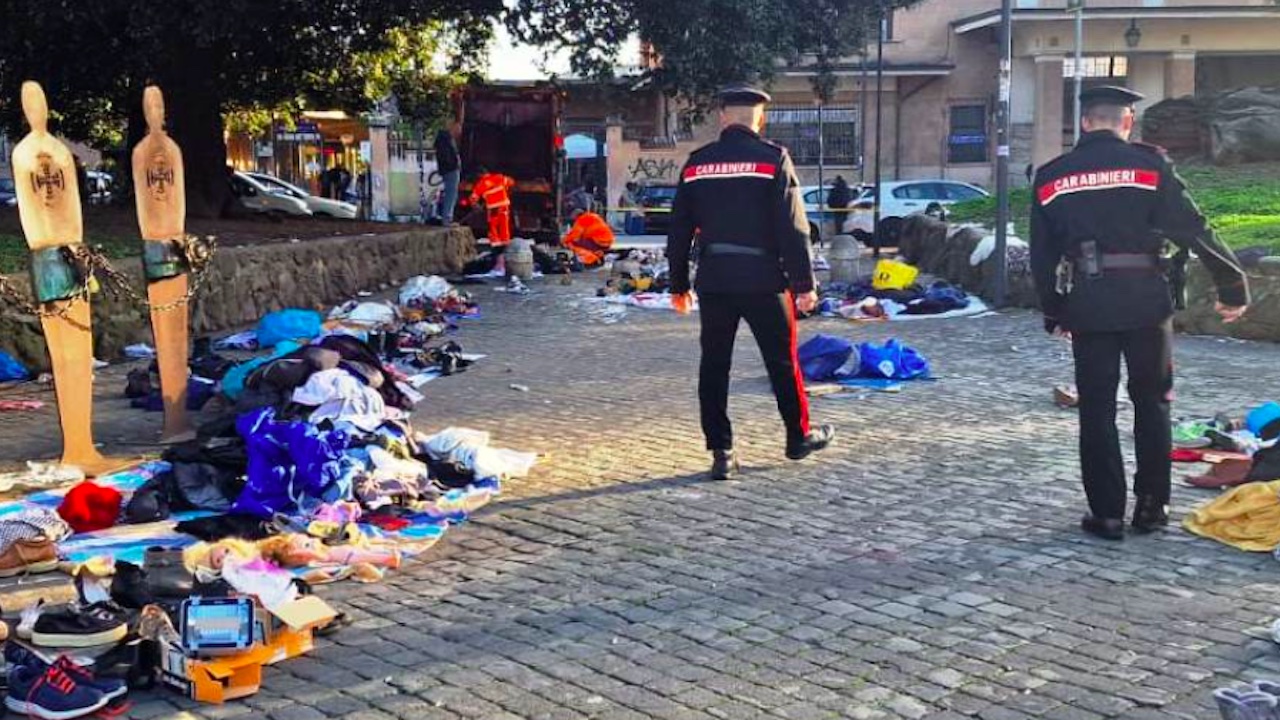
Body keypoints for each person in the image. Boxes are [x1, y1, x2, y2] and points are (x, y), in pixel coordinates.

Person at [1030, 85, 1250, 541]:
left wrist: (1055, 311)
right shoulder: (1151, 166)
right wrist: (1232, 285)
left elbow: (1042, 256)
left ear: (1085, 122)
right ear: (1126, 122)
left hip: (1089, 304)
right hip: (1148, 300)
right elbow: (1194, 228)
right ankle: (1152, 507)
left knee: (1097, 410)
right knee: (1152, 404)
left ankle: (1107, 514)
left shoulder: (1052, 176)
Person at [667, 84, 835, 481]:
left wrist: (678, 285)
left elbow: (678, 231)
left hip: (715, 280)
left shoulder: (696, 164)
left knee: (714, 366)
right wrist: (803, 284)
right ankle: (798, 437)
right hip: (764, 280)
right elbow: (793, 228)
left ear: (723, 115)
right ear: (760, 117)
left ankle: (721, 453)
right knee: (782, 362)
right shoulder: (773, 159)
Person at [434, 123, 461, 224]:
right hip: (450, 170)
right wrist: (454, 165)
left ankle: (447, 218)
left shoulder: (445, 139)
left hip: (449, 170)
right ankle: (447, 219)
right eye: (457, 130)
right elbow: (447, 156)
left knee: (451, 194)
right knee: (451, 194)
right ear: (452, 127)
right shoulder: (445, 140)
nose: (458, 133)